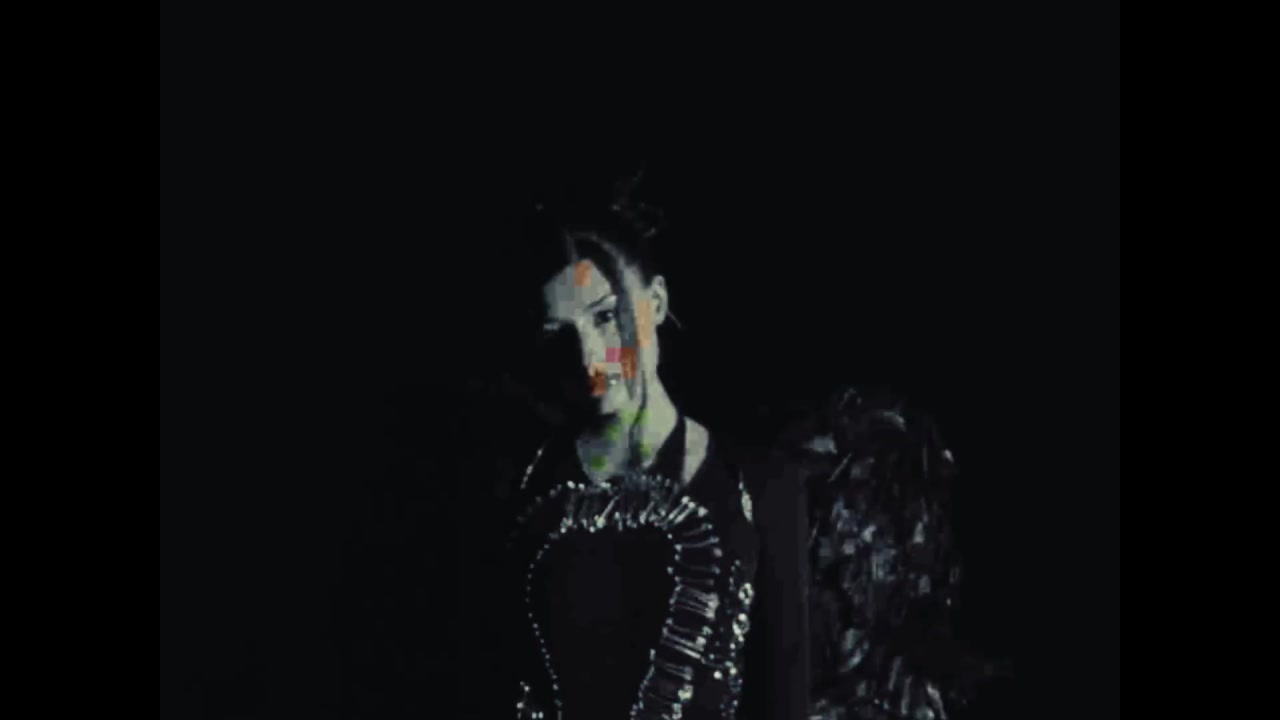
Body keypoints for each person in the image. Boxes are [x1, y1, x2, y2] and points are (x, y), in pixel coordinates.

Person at [488, 171, 993, 720]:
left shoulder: (760, 482)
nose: (589, 356)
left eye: (606, 317)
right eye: (560, 333)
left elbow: (782, 699)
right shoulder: (523, 486)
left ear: (656, 302)